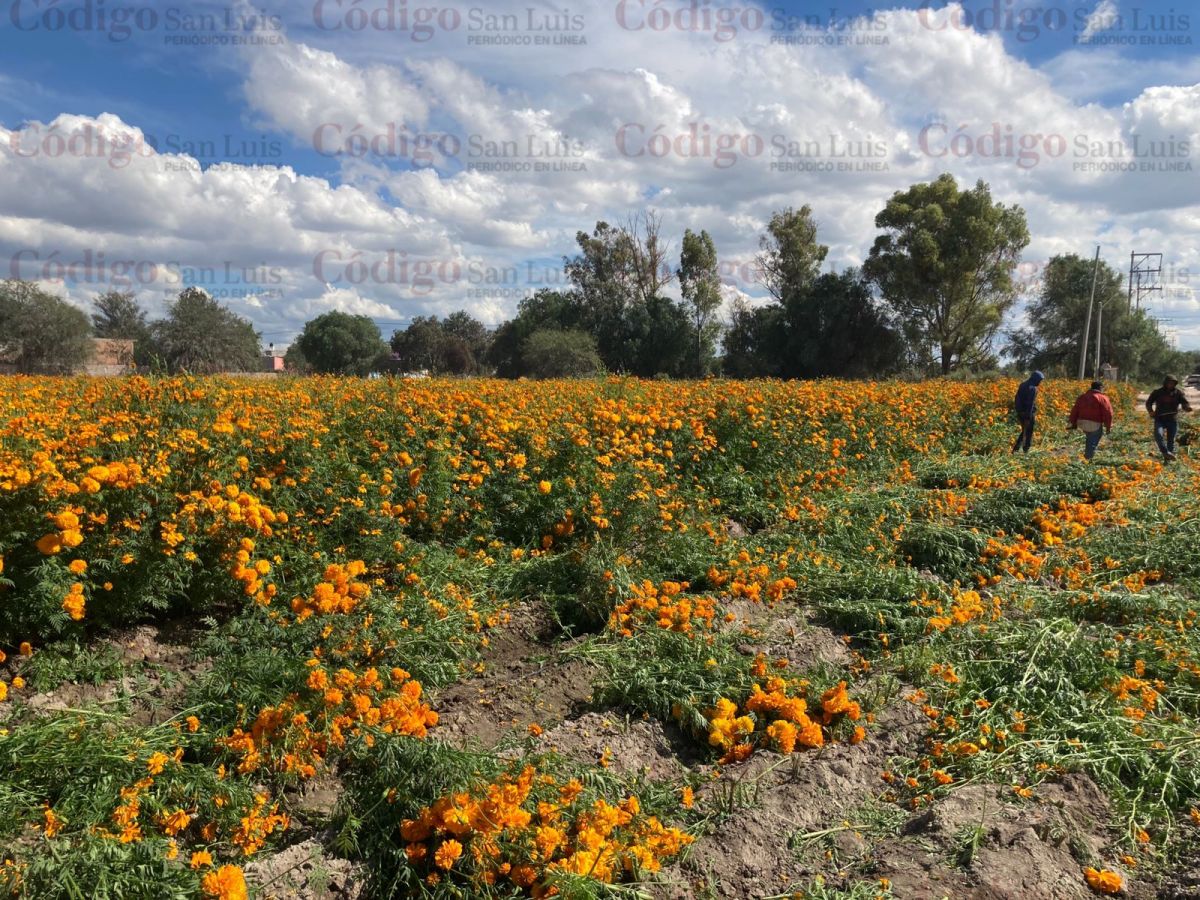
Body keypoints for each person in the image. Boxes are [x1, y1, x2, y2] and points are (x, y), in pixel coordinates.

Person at [1145, 374, 1192, 461]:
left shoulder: (1178, 393)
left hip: (1172, 419)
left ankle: (1168, 460)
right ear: (1165, 383)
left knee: (1171, 440)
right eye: (1169, 383)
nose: (1171, 384)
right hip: (1160, 419)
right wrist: (1150, 411)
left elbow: (1185, 403)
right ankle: (1165, 452)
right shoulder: (1157, 392)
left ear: (1175, 384)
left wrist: (1186, 408)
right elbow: (1148, 403)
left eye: (1173, 383)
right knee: (1158, 435)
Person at [1069, 381, 1113, 461]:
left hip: (1081, 422)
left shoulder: (1082, 397)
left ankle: (1088, 455)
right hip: (1094, 423)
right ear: (1100, 388)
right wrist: (1108, 427)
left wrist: (1073, 423)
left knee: (1090, 436)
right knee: (1094, 437)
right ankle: (1088, 458)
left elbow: (1075, 410)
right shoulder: (1102, 398)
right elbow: (1108, 413)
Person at [1012, 371, 1044, 453]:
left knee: (1024, 430)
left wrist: (1019, 411)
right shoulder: (1033, 388)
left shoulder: (1022, 384)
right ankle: (1025, 449)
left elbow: (1017, 398)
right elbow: (1030, 403)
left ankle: (1016, 449)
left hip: (1020, 412)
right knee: (1028, 431)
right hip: (1028, 413)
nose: (1040, 382)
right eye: (1039, 380)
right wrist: (1028, 416)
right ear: (1036, 379)